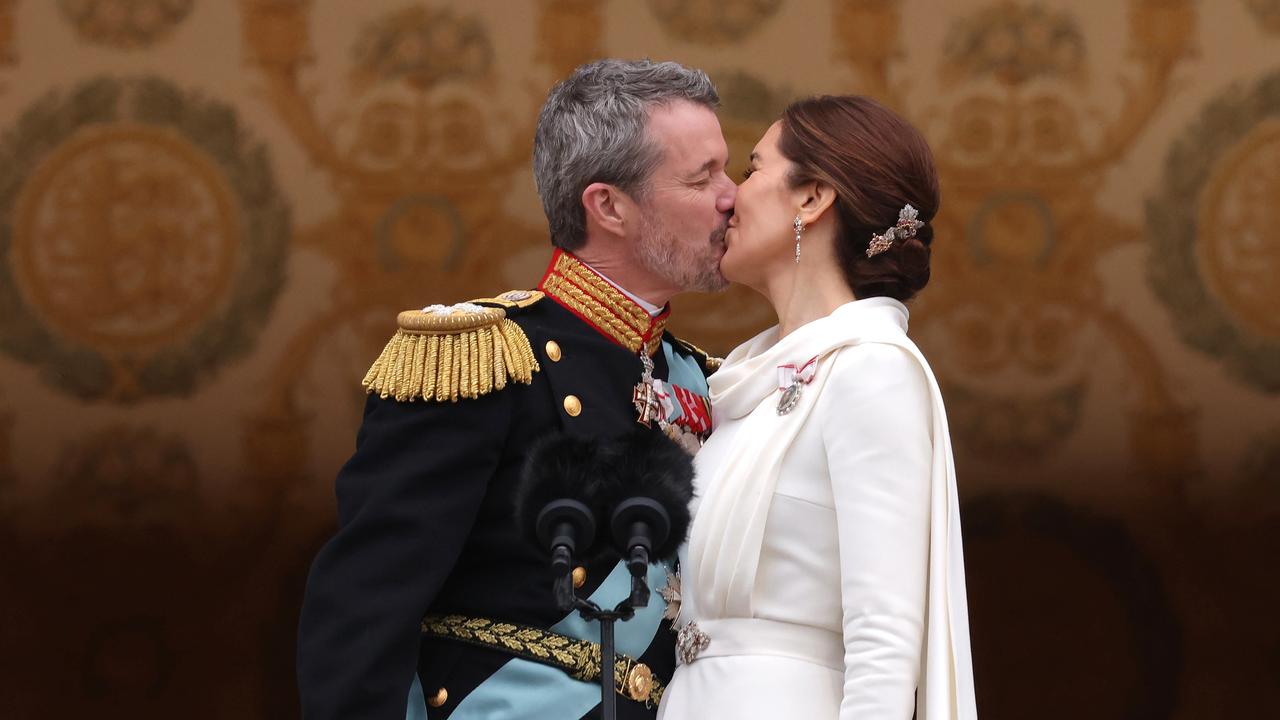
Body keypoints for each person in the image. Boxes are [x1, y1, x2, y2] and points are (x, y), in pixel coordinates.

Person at [297, 59, 735, 720]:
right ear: (608, 205)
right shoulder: (483, 357)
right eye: (703, 178)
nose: (733, 196)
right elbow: (363, 608)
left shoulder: (700, 378)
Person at [656, 95, 978, 719]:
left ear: (811, 199)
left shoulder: (871, 369)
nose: (729, 198)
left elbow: (885, 645)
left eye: (753, 171)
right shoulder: (744, 386)